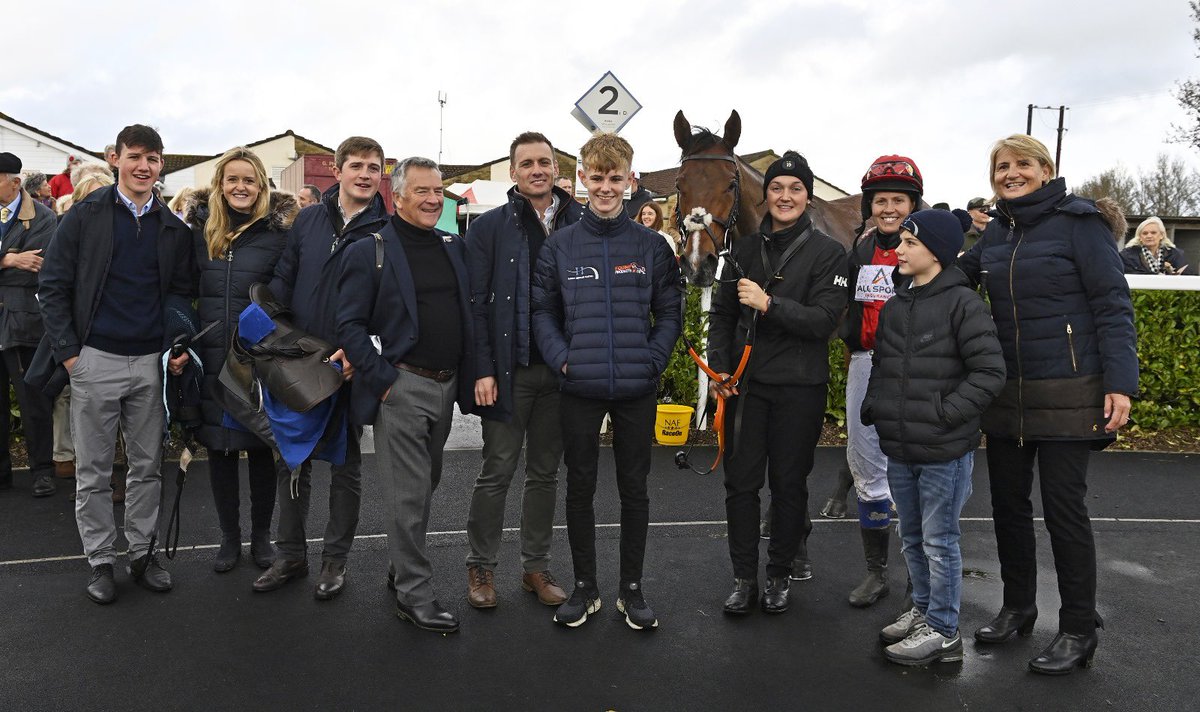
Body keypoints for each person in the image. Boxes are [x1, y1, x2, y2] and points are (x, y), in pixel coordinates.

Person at [958, 134, 1137, 675]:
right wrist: (903, 252)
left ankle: (1079, 627)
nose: (1012, 173)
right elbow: (949, 275)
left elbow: (1112, 305)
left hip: (1070, 391)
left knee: (1064, 511)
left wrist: (1120, 383)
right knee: (1009, 507)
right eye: (1002, 166)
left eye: (1023, 165)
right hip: (1007, 394)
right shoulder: (994, 236)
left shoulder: (1080, 224)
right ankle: (1018, 607)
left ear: (1046, 168)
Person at [38, 125, 194, 604]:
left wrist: (178, 341)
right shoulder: (85, 216)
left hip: (152, 363)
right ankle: (101, 560)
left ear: (161, 165)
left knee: (148, 467)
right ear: (115, 158)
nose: (143, 166)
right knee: (94, 470)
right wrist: (71, 355)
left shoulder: (172, 227)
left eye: (152, 158)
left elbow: (182, 292)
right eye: (135, 156)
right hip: (95, 360)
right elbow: (54, 283)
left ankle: (142, 555)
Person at [532, 133, 681, 630]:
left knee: (634, 488)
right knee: (580, 488)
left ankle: (631, 591)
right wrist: (562, 359)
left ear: (629, 180)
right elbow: (542, 312)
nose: (605, 187)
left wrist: (652, 360)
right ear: (582, 179)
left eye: (615, 178)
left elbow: (670, 311)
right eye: (596, 177)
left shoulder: (650, 246)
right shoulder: (560, 245)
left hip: (636, 388)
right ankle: (585, 588)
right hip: (579, 387)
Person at [861, 209, 1005, 665]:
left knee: (939, 541)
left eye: (909, 243)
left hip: (944, 448)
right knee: (912, 536)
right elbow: (882, 364)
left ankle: (944, 631)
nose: (898, 250)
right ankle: (923, 612)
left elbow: (989, 372)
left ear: (937, 252)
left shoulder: (964, 304)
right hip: (900, 445)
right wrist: (875, 407)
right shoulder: (898, 302)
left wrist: (946, 416)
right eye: (900, 242)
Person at [338, 156, 475, 633]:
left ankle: (402, 563)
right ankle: (414, 594)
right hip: (401, 387)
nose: (433, 199)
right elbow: (350, 326)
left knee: (426, 484)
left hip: (447, 385)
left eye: (438, 191)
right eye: (422, 192)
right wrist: (385, 381)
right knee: (409, 497)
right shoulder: (368, 250)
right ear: (397, 197)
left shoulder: (454, 247)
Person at [707, 151, 847, 616]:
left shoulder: (830, 254)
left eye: (795, 189)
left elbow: (825, 320)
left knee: (789, 486)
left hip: (799, 389)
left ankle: (780, 575)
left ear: (807, 198)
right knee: (740, 485)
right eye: (777, 188)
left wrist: (771, 305)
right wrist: (719, 371)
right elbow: (722, 317)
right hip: (746, 390)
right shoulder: (742, 251)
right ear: (765, 195)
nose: (785, 196)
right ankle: (744, 578)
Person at [256, 136, 387, 600]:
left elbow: (388, 305)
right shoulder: (309, 219)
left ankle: (335, 562)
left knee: (346, 466)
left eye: (374, 167)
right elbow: (284, 280)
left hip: (349, 365)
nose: (365, 174)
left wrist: (362, 350)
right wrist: (279, 337)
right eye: (357, 165)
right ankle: (290, 555)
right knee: (292, 461)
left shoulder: (385, 230)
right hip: (300, 361)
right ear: (336, 170)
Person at [463, 132, 583, 610]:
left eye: (545, 162)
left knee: (544, 474)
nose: (537, 169)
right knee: (496, 471)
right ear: (512, 173)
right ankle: (481, 568)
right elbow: (475, 305)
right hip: (508, 372)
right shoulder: (489, 227)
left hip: (560, 374)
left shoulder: (581, 220)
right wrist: (483, 368)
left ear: (556, 168)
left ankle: (535, 566)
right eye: (527, 163)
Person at [188, 148, 297, 572]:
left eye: (249, 180)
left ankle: (261, 537)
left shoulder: (279, 235)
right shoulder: (200, 232)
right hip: (213, 358)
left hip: (257, 361)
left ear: (261, 185)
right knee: (220, 451)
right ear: (220, 184)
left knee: (259, 447)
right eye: (232, 179)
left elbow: (285, 295)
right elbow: (182, 291)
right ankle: (229, 538)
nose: (241, 187)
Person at [839, 154, 925, 609]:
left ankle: (920, 578)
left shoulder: (930, 248)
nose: (889, 208)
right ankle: (877, 573)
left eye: (898, 200)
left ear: (913, 204)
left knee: (914, 473)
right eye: (880, 200)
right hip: (866, 362)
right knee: (868, 467)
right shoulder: (859, 250)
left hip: (917, 367)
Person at [50, 170, 117, 481]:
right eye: (90, 197)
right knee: (70, 397)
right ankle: (71, 461)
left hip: (116, 339)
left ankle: (115, 469)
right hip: (78, 336)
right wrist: (68, 352)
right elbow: (52, 288)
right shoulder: (67, 232)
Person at [0, 153, 57, 497]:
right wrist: (7, 258)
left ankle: (42, 470)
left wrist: (19, 264)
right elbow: (20, 262)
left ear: (15, 182)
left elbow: (39, 264)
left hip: (25, 321)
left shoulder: (43, 217)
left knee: (33, 400)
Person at [1121, 216, 1186, 275]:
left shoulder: (1176, 254)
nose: (1149, 236)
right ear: (1140, 237)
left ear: (1161, 235)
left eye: (1153, 233)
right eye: (1145, 233)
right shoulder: (1127, 255)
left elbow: (1186, 275)